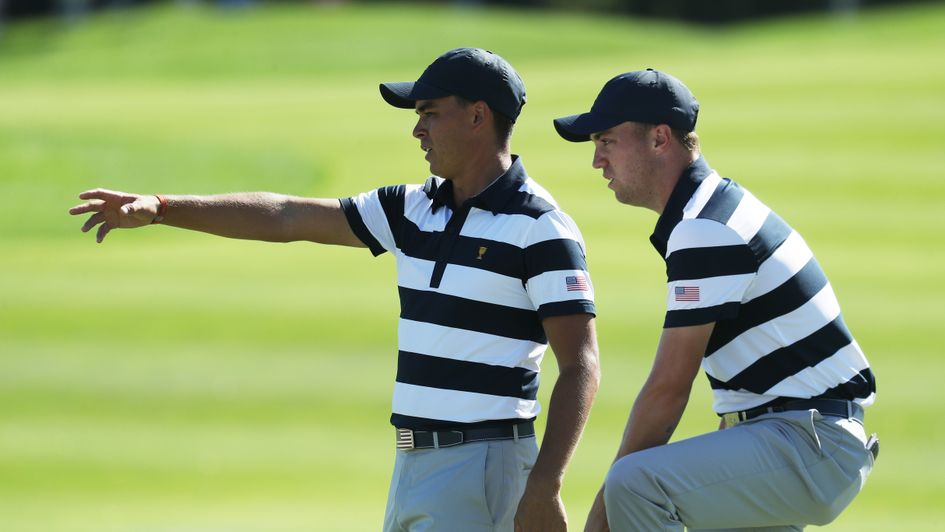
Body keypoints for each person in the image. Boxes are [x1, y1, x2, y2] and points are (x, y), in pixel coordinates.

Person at [69, 48, 600, 532]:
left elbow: (580, 365)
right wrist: (163, 208)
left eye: (430, 113)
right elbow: (287, 215)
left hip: (484, 464)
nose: (417, 130)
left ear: (478, 116)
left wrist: (545, 484)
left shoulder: (540, 228)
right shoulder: (411, 208)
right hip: (413, 461)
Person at [552, 69, 877, 531]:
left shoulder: (706, 228)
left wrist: (602, 514)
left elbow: (668, 388)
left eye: (607, 141)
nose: (597, 161)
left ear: (659, 139)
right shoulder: (710, 211)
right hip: (800, 439)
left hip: (809, 443)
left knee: (634, 484)